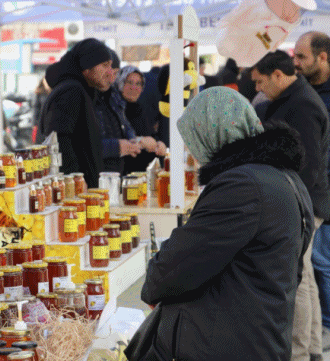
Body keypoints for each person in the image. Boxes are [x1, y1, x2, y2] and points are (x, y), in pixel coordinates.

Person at [139, 86, 314, 360]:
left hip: (229, 344)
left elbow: (176, 266)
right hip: (261, 336)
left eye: (192, 141)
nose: (192, 153)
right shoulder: (285, 177)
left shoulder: (241, 185)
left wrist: (155, 282)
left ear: (210, 135)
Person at [253, 50, 330, 361]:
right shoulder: (293, 99)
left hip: (304, 202)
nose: (258, 89)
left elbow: (309, 165)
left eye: (260, 82)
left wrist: (293, 205)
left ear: (278, 75)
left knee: (296, 277)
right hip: (304, 200)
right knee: (305, 277)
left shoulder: (302, 104)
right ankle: (311, 349)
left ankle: (299, 353)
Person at [294, 31, 330, 342]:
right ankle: (319, 335)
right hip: (311, 192)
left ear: (323, 57)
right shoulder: (301, 91)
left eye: (301, 56)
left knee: (320, 265)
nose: (296, 62)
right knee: (314, 268)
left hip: (321, 194)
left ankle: (324, 330)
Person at [38, 38, 111, 188]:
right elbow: (57, 139)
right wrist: (75, 181)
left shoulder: (81, 90)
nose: (110, 72)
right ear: (87, 67)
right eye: (105, 66)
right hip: (74, 193)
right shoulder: (71, 91)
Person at [92, 49, 141, 174]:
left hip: (115, 173)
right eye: (129, 82)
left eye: (115, 74)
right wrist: (117, 147)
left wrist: (133, 141)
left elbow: (124, 125)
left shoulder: (113, 97)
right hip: (96, 175)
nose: (111, 79)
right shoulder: (87, 99)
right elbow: (84, 146)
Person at [114, 66, 166, 172]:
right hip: (123, 173)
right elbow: (115, 139)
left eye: (138, 84)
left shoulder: (141, 109)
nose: (134, 87)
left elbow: (150, 134)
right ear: (120, 83)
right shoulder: (114, 109)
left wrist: (159, 144)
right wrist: (141, 141)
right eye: (129, 82)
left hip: (144, 174)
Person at [32, 77, 51, 144]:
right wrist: (35, 124)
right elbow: (36, 109)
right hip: (41, 123)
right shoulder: (40, 93)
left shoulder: (55, 91)